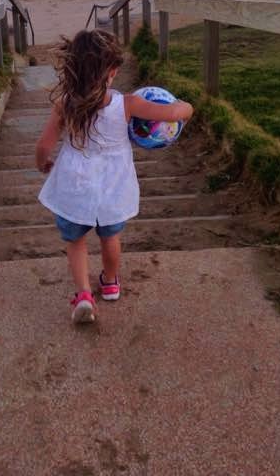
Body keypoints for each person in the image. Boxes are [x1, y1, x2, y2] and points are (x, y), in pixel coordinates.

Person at [35, 29, 194, 324]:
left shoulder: (65, 104)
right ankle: (109, 282)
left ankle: (84, 295)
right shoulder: (128, 104)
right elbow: (173, 114)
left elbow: (44, 146)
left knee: (76, 241)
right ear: (112, 72)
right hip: (113, 187)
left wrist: (43, 164)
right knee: (110, 237)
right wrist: (187, 107)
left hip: (74, 186)